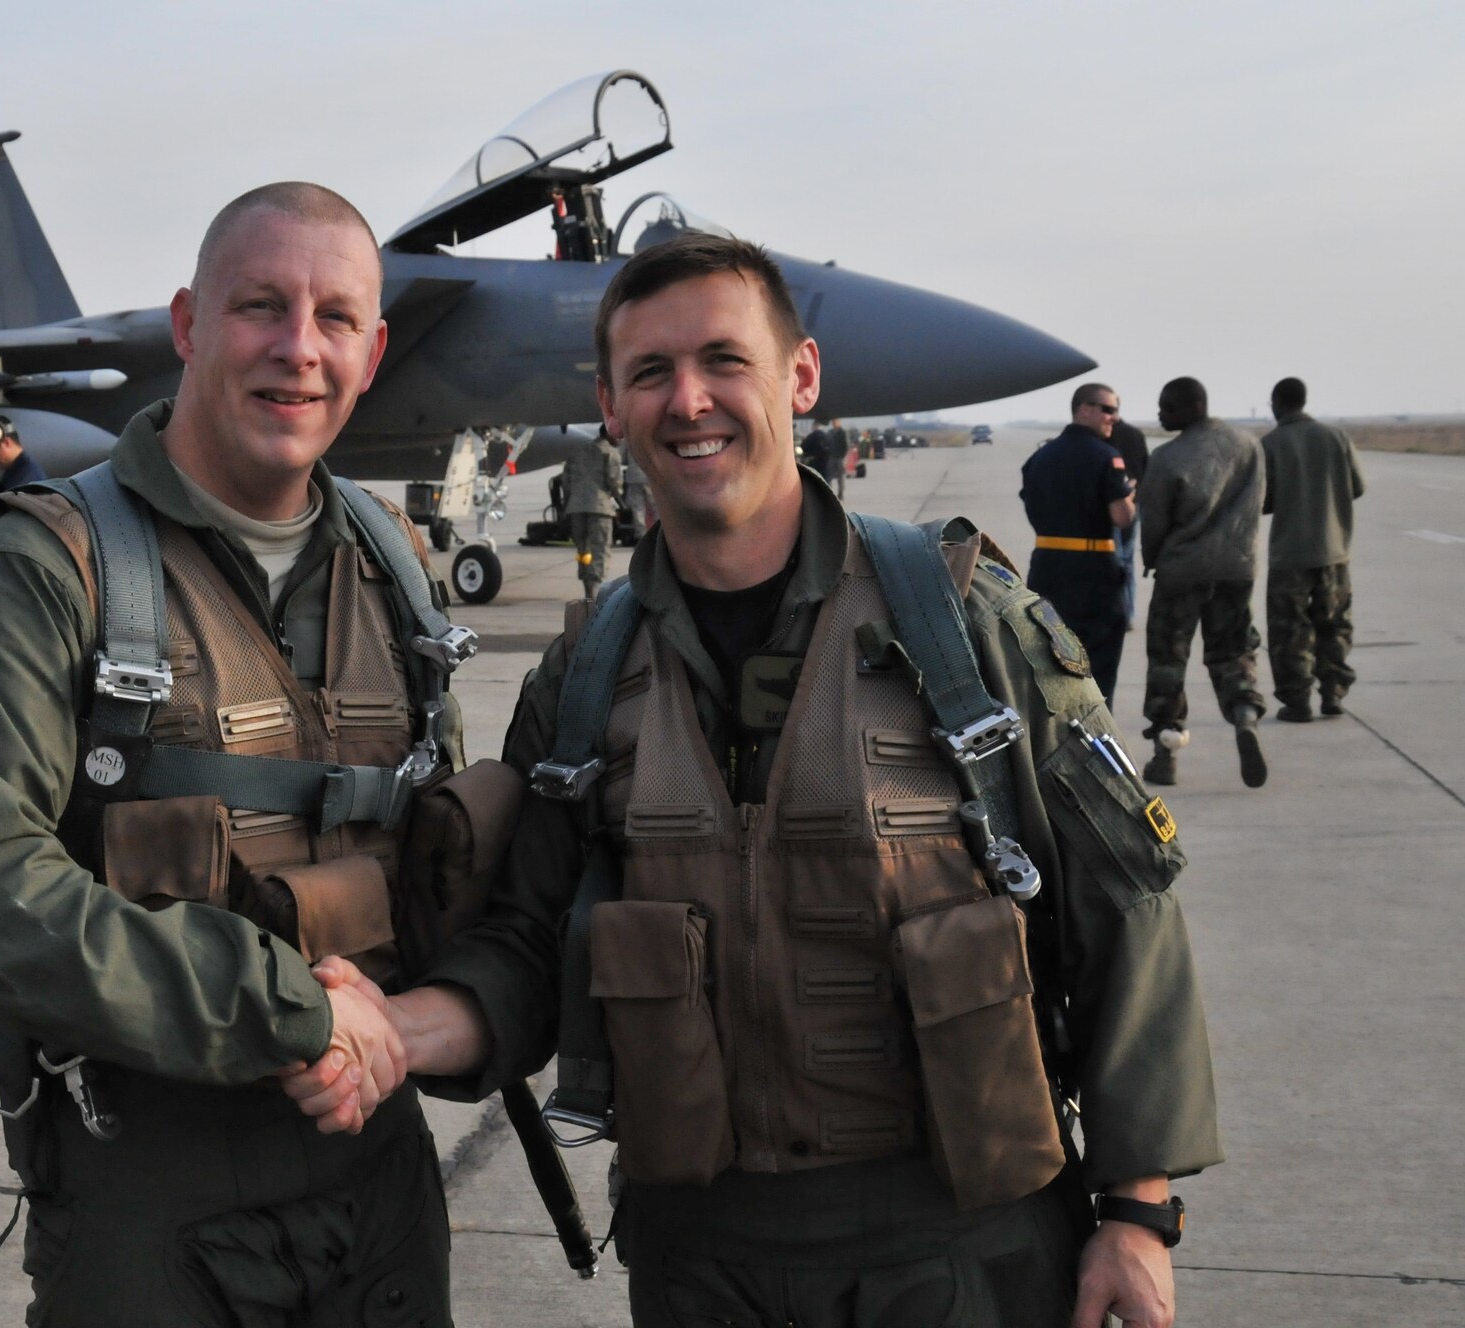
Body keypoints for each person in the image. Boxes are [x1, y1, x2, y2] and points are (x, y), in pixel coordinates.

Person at [287, 233, 1222, 1328]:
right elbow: (528, 943)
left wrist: (1133, 1212)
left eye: (723, 360)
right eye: (649, 372)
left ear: (800, 376)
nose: (688, 400)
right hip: (703, 1261)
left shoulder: (964, 626)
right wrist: (396, 1030)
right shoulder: (587, 674)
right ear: (608, 403)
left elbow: (1123, 908)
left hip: (961, 1246)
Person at [0, 184, 465, 1326]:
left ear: (374, 347)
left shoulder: (395, 564)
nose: (299, 348)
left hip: (378, 1174)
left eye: (335, 317)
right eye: (260, 306)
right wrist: (287, 1007)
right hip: (150, 1195)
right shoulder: (51, 567)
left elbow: (446, 846)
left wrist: (444, 1017)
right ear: (188, 325)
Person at [1139, 377, 1269, 788]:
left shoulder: (1167, 456)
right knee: (1233, 651)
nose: (1160, 415)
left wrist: (1151, 558)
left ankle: (1166, 752)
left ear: (1192, 406)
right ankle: (1245, 715)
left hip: (1182, 571)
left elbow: (1155, 520)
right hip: (1237, 570)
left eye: (1167, 408)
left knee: (1168, 658)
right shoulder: (1249, 445)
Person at [1019, 384, 1137, 707]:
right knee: (1098, 670)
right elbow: (1122, 517)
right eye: (1108, 409)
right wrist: (1129, 497)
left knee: (1051, 661)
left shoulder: (1039, 457)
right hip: (1094, 574)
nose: (1114, 418)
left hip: (1046, 568)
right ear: (1084, 409)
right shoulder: (1107, 457)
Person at [1260, 377, 1365, 721]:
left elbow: (1265, 500)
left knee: (1290, 632)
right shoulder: (1337, 437)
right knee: (1333, 626)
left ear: (1278, 403)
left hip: (1290, 554)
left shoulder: (1273, 443)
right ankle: (1333, 692)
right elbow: (1357, 487)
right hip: (1333, 552)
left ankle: (1297, 700)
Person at [562, 432, 624, 598]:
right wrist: (620, 500)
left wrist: (568, 504)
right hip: (600, 508)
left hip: (576, 509)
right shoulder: (609, 452)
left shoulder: (575, 451)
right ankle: (595, 591)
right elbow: (614, 482)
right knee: (600, 550)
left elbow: (566, 482)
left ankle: (587, 588)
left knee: (584, 550)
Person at [1109, 416, 1149, 625]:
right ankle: (1128, 613)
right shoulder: (1136, 434)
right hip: (1136, 503)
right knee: (1128, 560)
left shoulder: (1105, 435)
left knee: (1114, 560)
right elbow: (1146, 469)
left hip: (1113, 505)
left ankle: (1117, 612)